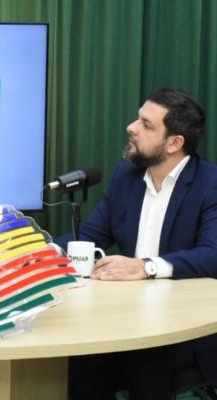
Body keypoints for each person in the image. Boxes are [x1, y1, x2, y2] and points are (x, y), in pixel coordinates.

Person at [54, 88, 217, 400]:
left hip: (185, 325)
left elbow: (213, 255)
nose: (131, 127)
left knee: (146, 362)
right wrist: (47, 252)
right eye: (137, 118)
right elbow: (90, 235)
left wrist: (146, 267)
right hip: (126, 317)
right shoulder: (127, 176)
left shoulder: (210, 185)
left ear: (174, 143)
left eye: (146, 124)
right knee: (77, 362)